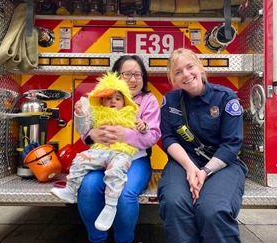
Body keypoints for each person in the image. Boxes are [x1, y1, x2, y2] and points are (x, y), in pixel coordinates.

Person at [157, 48, 248, 243]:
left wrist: (204, 171)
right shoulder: (170, 100)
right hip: (184, 162)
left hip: (223, 163)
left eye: (190, 67)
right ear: (173, 78)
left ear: (200, 67)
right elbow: (168, 138)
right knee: (174, 203)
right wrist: (191, 168)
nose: (186, 75)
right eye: (178, 72)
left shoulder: (225, 97)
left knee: (212, 209)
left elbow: (232, 144)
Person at [77, 55, 161, 243]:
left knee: (124, 194)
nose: (133, 79)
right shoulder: (101, 98)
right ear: (116, 76)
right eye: (127, 74)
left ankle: (124, 240)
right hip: (101, 158)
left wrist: (125, 135)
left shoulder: (148, 100)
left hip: (135, 161)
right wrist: (91, 136)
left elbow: (153, 135)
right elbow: (86, 128)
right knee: (89, 188)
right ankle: (97, 239)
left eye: (138, 75)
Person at [51, 72, 148, 231]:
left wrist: (143, 126)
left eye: (118, 98)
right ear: (101, 100)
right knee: (80, 159)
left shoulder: (130, 113)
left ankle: (110, 206)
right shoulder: (95, 114)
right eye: (108, 98)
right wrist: (80, 114)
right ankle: (70, 189)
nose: (113, 102)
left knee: (115, 172)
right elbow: (82, 129)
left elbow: (144, 130)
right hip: (100, 151)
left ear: (125, 101)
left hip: (121, 153)